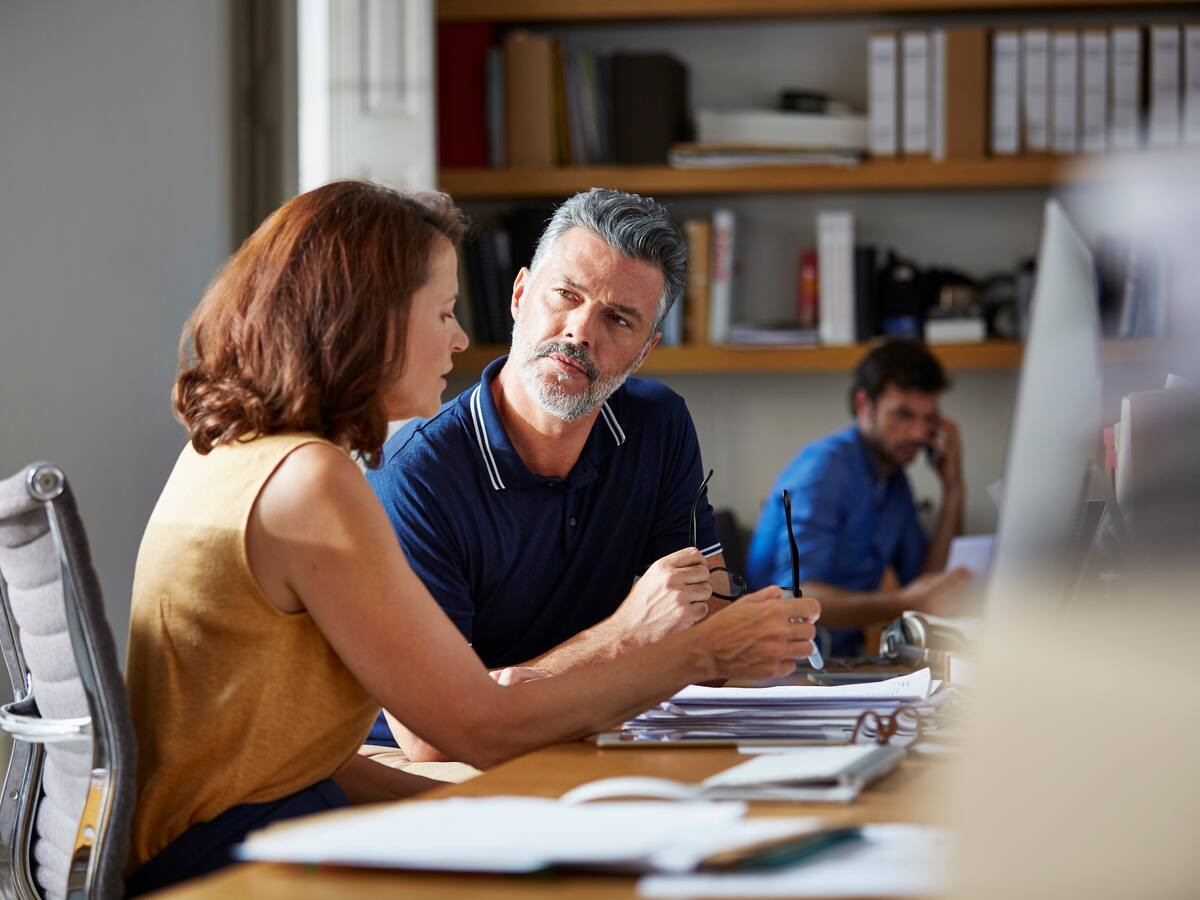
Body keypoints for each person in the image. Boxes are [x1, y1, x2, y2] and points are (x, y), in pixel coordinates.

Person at [122, 181, 818, 895]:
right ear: (371, 320)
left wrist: (500, 812)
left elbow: (290, 756)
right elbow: (476, 729)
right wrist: (696, 650)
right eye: (445, 312)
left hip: (229, 833)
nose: (458, 338)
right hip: (220, 866)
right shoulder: (312, 482)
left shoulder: (232, 454)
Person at [366, 188, 809, 763]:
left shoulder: (659, 424)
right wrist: (625, 636)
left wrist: (736, 640)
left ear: (644, 351)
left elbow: (710, 624)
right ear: (521, 294)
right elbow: (432, 736)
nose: (580, 332)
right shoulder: (415, 475)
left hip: (604, 741)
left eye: (618, 319)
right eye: (566, 295)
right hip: (448, 778)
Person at [745, 338, 971, 658]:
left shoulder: (894, 481)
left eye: (929, 419)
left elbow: (929, 585)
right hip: (778, 666)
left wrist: (953, 488)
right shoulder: (824, 471)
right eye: (903, 415)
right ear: (864, 405)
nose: (920, 434)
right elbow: (793, 598)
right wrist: (903, 603)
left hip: (839, 663)